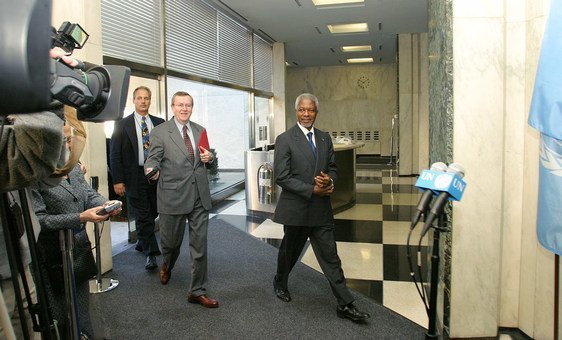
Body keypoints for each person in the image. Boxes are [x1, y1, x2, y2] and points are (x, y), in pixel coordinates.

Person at [272, 93, 370, 322]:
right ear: (296, 112)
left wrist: (329, 180)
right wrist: (311, 189)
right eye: (302, 110)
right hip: (296, 209)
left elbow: (333, 168)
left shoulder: (325, 139)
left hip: (320, 210)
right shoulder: (285, 139)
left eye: (311, 110)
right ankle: (280, 281)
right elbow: (282, 176)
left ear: (317, 112)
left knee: (330, 257)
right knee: (289, 253)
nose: (306, 114)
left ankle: (345, 303)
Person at [31, 127, 122, 339]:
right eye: (62, 140)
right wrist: (81, 217)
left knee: (81, 311)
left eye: (68, 139)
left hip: (78, 251)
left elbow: (88, 194)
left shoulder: (71, 166)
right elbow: (39, 220)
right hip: (51, 257)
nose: (68, 145)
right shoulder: (34, 173)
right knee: (60, 318)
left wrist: (104, 204)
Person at [144, 91, 218, 308]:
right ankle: (166, 264)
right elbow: (152, 160)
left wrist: (210, 158)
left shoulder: (200, 130)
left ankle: (197, 291)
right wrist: (152, 172)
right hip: (172, 196)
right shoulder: (159, 132)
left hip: (198, 197)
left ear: (192, 108)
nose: (184, 108)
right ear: (172, 107)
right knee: (171, 244)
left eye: (188, 105)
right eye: (180, 105)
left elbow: (208, 161)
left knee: (199, 246)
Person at [110, 86, 164, 270]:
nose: (143, 101)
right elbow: (114, 154)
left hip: (156, 175)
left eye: (146, 98)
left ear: (150, 100)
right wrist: (118, 180)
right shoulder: (121, 124)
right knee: (143, 215)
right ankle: (151, 254)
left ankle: (142, 240)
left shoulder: (160, 123)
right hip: (134, 176)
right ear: (133, 100)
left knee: (154, 211)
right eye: (139, 98)